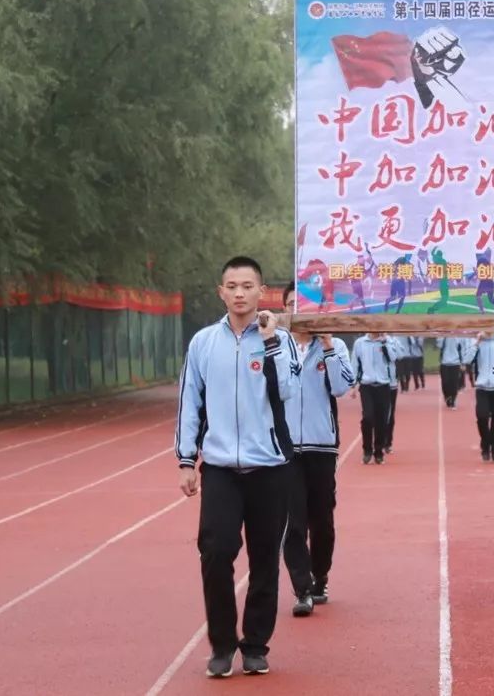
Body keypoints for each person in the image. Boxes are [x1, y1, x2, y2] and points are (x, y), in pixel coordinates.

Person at [175, 256, 301, 678]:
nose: (240, 293)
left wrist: (269, 342)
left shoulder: (279, 341)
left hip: (270, 467)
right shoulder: (203, 343)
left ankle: (255, 645)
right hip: (222, 469)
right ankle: (223, 643)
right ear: (221, 292)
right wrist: (186, 460)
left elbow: (288, 390)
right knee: (215, 551)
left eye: (248, 285)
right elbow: (189, 402)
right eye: (232, 285)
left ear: (260, 290)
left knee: (265, 558)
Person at [280, 283, 355, 618]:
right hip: (284, 449)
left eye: (304, 304)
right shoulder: (275, 345)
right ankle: (302, 587)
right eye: (292, 304)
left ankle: (320, 573)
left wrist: (327, 346)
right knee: (293, 521)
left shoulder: (335, 344)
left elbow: (341, 387)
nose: (298, 309)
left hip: (321, 446)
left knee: (321, 520)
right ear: (285, 310)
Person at [352, 332, 396, 465]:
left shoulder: (388, 341)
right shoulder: (360, 343)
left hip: (384, 385)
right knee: (368, 417)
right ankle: (367, 450)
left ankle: (378, 451)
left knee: (382, 420)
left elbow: (393, 358)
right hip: (367, 385)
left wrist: (384, 343)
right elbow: (355, 364)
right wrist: (353, 384)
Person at [468, 329, 494, 462]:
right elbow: (467, 359)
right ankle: (485, 445)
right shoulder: (476, 340)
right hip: (482, 387)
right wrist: (477, 342)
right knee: (482, 416)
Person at [438, 335, 469, 409]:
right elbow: (438, 345)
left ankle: (453, 399)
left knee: (454, 383)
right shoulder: (442, 336)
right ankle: (447, 396)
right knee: (445, 382)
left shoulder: (459, 337)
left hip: (455, 363)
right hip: (444, 362)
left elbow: (463, 349)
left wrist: (463, 363)